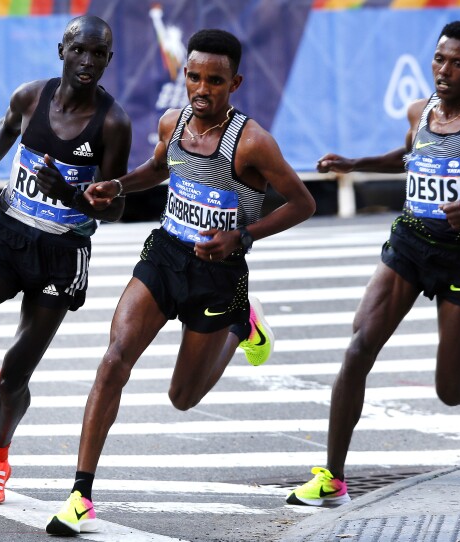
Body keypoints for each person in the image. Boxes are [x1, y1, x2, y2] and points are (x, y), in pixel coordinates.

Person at [45, 28, 316, 535]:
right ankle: (80, 495)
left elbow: (304, 203)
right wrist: (117, 184)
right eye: (193, 76)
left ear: (234, 82)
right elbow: (157, 167)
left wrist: (243, 235)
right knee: (113, 361)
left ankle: (241, 325)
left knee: (182, 398)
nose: (201, 88)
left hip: (219, 275)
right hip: (166, 255)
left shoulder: (253, 142)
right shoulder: (174, 122)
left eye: (214, 80)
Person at [286, 20, 460, 507]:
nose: (444, 70)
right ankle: (332, 476)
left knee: (451, 392)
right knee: (359, 346)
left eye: (457, 63)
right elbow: (408, 156)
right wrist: (357, 162)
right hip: (410, 243)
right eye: (439, 59)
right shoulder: (420, 111)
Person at [0, 15, 131, 506]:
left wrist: (69, 192)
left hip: (62, 253)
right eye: (79, 50)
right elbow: (5, 127)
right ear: (61, 49)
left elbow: (119, 207)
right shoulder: (30, 97)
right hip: (8, 235)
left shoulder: (113, 123)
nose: (87, 62)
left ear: (109, 61)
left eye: (99, 54)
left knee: (18, 372)